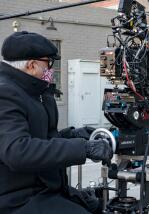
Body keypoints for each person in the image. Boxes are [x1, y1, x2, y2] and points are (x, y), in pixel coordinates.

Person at [0, 31, 113, 214]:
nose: (51, 70)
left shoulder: (36, 92)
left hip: (50, 188)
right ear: (31, 65)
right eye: (49, 64)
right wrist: (83, 148)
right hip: (19, 198)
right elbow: (18, 151)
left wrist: (72, 135)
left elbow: (41, 138)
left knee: (101, 206)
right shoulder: (5, 94)